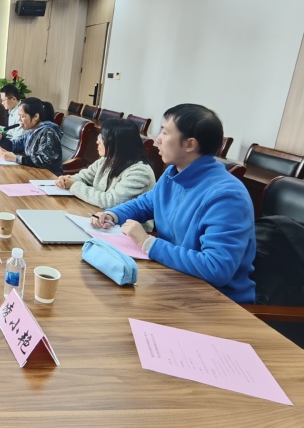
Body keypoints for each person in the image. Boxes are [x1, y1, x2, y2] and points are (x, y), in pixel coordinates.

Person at [91, 104, 255, 303]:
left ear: (190, 144)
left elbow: (216, 268)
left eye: (165, 132)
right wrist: (112, 214)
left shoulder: (227, 196)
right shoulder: (173, 173)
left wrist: (147, 243)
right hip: (172, 280)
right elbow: (144, 204)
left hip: (215, 301)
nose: (157, 139)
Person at [55, 119, 155, 208]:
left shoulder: (140, 172)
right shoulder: (107, 160)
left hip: (123, 223)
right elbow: (84, 177)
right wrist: (68, 180)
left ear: (117, 143)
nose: (97, 141)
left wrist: (74, 185)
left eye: (102, 137)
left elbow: (111, 201)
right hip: (99, 216)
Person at [0, 97, 63, 175]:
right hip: (34, 172)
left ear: (36, 117)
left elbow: (44, 160)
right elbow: (14, 146)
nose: (19, 120)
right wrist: (0, 138)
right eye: (19, 116)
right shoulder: (32, 131)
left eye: (22, 116)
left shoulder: (48, 132)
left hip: (48, 176)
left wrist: (16, 158)